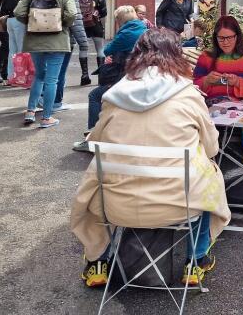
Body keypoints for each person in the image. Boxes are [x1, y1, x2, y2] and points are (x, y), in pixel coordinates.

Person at [70, 28, 230, 289]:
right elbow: (212, 147)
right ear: (177, 56)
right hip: (180, 204)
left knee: (93, 178)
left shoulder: (115, 96)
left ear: (136, 56)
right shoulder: (188, 95)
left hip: (116, 204)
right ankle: (195, 261)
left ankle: (98, 260)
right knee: (210, 179)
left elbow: (95, 142)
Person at [73, 6, 148, 152]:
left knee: (95, 95)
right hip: (140, 77)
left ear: (119, 21)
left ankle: (92, 139)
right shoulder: (144, 29)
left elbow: (106, 50)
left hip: (127, 79)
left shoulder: (126, 33)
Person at [14, 0, 77, 128]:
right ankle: (46, 118)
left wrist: (33, 23)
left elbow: (18, 12)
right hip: (57, 41)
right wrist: (62, 24)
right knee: (52, 80)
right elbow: (71, 15)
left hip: (35, 40)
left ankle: (30, 111)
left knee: (39, 76)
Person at [193, 16, 243, 100]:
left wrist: (237, 82)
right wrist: (206, 80)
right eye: (221, 38)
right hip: (212, 107)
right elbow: (193, 88)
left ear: (237, 36)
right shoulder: (206, 57)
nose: (225, 42)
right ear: (215, 37)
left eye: (229, 38)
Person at [73, 0, 107, 71]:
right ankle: (101, 75)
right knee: (100, 49)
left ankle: (84, 75)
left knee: (83, 48)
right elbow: (104, 11)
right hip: (95, 22)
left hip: (79, 23)